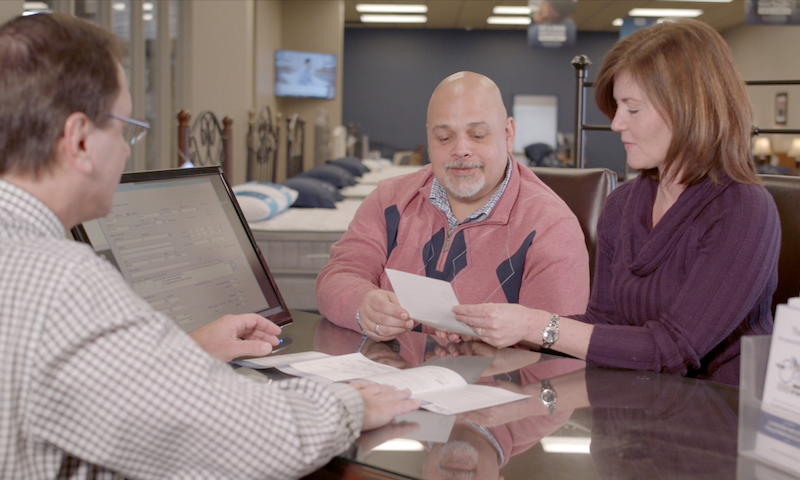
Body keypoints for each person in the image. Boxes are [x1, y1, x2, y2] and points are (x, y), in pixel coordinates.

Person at [0, 13, 419, 479]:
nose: (126, 151)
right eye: (122, 131)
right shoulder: (60, 281)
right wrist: (350, 403)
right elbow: (250, 440)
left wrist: (183, 348)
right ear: (78, 139)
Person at [451, 19, 780, 386]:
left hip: (720, 420)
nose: (616, 124)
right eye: (617, 108)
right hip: (635, 411)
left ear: (689, 108)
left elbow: (670, 349)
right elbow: (602, 325)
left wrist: (534, 324)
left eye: (633, 109)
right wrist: (503, 329)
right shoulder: (622, 204)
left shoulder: (744, 210)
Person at [315, 71, 590, 342]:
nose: (461, 150)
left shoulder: (551, 226)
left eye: (478, 135)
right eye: (445, 138)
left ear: (508, 134)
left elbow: (557, 346)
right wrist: (363, 305)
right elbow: (337, 275)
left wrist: (490, 349)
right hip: (391, 380)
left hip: (497, 385)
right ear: (429, 139)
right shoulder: (389, 200)